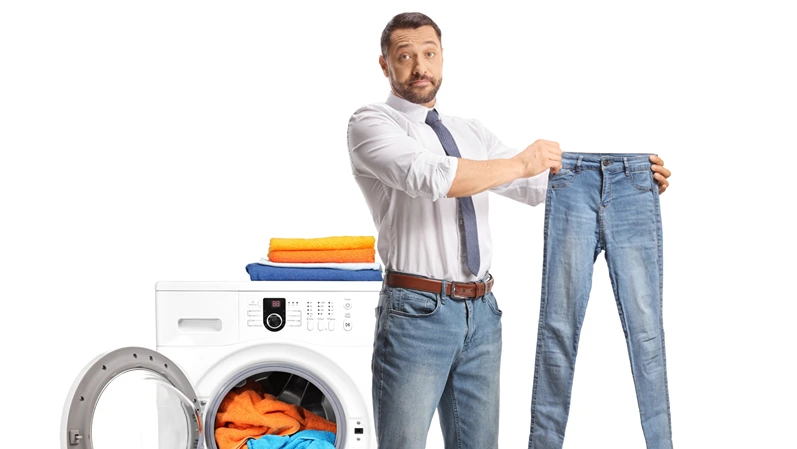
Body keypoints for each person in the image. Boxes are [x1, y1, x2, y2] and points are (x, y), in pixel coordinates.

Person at [346, 12, 671, 449]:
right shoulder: (371, 123)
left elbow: (534, 187)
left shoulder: (469, 131)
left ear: (442, 58)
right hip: (415, 313)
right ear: (385, 65)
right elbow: (430, 177)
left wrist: (624, 188)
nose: (420, 66)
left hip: (482, 314)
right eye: (405, 56)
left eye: (429, 54)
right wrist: (520, 163)